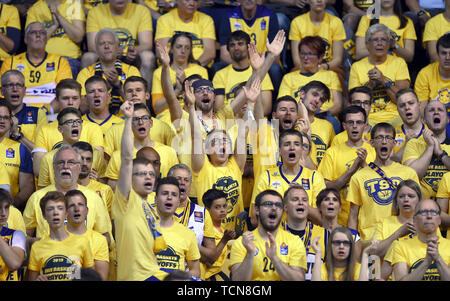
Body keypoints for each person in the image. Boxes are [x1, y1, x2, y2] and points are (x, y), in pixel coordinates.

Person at [113, 100, 168, 281]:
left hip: (154, 272)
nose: (148, 177)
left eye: (151, 174)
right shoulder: (125, 199)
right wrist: (128, 119)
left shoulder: (150, 205)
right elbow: (127, 157)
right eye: (141, 174)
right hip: (137, 277)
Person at [23, 145, 111, 243]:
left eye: (71, 162)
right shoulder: (37, 197)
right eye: (60, 162)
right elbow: (23, 236)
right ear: (53, 168)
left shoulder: (94, 198)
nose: (65, 166)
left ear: (79, 168)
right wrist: (42, 244)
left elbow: (106, 237)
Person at [347, 122, 420, 240]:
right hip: (371, 241)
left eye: (388, 138)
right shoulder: (359, 176)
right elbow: (353, 214)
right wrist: (354, 243)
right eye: (379, 137)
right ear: (372, 143)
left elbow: (417, 208)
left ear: (394, 143)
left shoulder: (408, 173)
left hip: (403, 238)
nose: (384, 141)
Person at [251, 129, 325, 228]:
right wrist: (281, 202)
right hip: (275, 237)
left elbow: (324, 220)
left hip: (308, 239)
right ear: (279, 151)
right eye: (287, 144)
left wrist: (300, 200)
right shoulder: (267, 177)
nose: (292, 148)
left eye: (297, 144)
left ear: (302, 149)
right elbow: (254, 219)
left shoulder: (315, 177)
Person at [229, 189, 307, 281]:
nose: (274, 208)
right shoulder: (242, 242)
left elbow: (299, 280)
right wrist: (249, 254)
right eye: (268, 204)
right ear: (257, 210)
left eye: (278, 205)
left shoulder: (294, 241)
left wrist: (275, 259)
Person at [318, 105, 376, 226]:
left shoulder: (374, 151)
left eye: (359, 122)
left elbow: (377, 186)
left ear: (365, 126)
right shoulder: (332, 152)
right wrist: (352, 170)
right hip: (340, 223)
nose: (355, 126)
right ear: (344, 126)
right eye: (351, 122)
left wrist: (364, 165)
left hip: (369, 223)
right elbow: (326, 189)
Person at [103, 102, 179, 190]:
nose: (141, 122)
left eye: (145, 118)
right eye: (135, 119)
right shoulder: (118, 156)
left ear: (151, 123)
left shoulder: (169, 152)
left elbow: (175, 184)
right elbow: (112, 188)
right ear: (130, 125)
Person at [349, 23, 411, 128]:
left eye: (383, 40)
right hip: (367, 119)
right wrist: (370, 85)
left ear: (388, 44)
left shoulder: (399, 63)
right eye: (375, 40)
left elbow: (403, 100)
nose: (379, 43)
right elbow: (354, 103)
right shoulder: (357, 67)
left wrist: (383, 80)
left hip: (396, 117)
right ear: (367, 44)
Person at [217, 0, 283, 99]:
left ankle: (277, 104)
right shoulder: (228, 16)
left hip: (264, 62)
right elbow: (224, 54)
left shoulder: (269, 15)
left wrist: (258, 65)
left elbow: (275, 55)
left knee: (274, 68)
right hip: (238, 61)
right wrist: (245, 65)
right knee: (217, 67)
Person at [84, 0, 155, 90]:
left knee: (147, 57)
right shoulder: (95, 12)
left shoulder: (141, 10)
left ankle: (144, 99)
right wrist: (112, 52)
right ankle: (85, 98)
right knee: (88, 57)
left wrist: (133, 50)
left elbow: (147, 44)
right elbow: (92, 46)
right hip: (105, 56)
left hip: (131, 57)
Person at [103, 76, 176, 162]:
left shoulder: (163, 127)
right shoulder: (113, 130)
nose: (134, 94)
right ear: (124, 96)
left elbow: (171, 157)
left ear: (147, 95)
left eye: (138, 90)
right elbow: (107, 162)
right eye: (129, 91)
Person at [0, 22, 72, 108]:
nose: (38, 35)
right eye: (33, 32)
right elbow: (3, 94)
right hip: (18, 113)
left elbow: (65, 93)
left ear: (46, 39)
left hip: (52, 114)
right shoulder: (10, 62)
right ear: (26, 39)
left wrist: (46, 111)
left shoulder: (60, 62)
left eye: (42, 33)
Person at [27, 191, 95, 281]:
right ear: (44, 215)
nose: (55, 212)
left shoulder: (83, 242)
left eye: (60, 208)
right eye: (50, 209)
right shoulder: (37, 247)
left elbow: (92, 278)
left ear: (66, 213)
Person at [77, 29, 141, 115]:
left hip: (125, 120)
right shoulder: (85, 73)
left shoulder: (132, 71)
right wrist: (103, 89)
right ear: (96, 48)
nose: (106, 46)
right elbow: (82, 108)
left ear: (118, 47)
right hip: (95, 122)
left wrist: (118, 85)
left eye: (110, 43)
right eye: (102, 44)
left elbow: (138, 106)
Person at [34, 106, 106, 182]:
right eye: (69, 122)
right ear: (60, 129)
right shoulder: (48, 158)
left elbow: (104, 185)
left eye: (78, 121)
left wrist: (96, 181)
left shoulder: (96, 155)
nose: (75, 124)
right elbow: (43, 190)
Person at [278, 36, 343, 118]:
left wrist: (318, 116)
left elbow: (338, 105)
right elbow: (282, 104)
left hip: (325, 118)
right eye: (303, 53)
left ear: (320, 57)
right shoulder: (288, 78)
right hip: (297, 118)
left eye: (310, 54)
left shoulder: (331, 76)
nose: (305, 57)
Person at [213, 30, 274, 117]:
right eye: (232, 45)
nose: (236, 48)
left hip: (257, 123)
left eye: (240, 44)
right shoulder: (220, 75)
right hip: (230, 124)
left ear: (248, 47)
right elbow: (218, 109)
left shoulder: (261, 73)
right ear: (228, 49)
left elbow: (267, 108)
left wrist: (248, 117)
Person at [151, 32, 208, 122]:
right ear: (172, 49)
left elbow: (204, 104)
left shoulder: (201, 71)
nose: (183, 51)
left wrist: (186, 87)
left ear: (190, 51)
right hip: (166, 117)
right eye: (179, 46)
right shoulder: (160, 72)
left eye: (187, 47)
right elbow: (157, 108)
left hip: (193, 116)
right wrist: (177, 90)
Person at [152, 176, 201, 278]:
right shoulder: (142, 230)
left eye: (174, 195)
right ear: (155, 199)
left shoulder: (188, 234)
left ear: (178, 202)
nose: (169, 197)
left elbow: (196, 271)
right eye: (165, 193)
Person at [372, 179, 421, 280]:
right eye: (401, 196)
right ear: (396, 201)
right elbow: (374, 253)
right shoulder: (384, 223)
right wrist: (399, 233)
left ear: (419, 200)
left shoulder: (426, 223)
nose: (406, 200)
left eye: (411, 196)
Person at [392, 199, 450, 280]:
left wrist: (438, 258)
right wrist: (426, 262)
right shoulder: (400, 246)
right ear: (415, 220)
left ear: (439, 220)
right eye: (423, 212)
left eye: (433, 212)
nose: (429, 216)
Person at [403, 99, 450, 199]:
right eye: (431, 110)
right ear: (424, 120)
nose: (436, 112)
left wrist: (441, 154)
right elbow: (411, 177)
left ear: (447, 119)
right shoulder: (413, 143)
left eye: (440, 110)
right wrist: (430, 147)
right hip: (422, 209)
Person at [25, 0, 86, 77]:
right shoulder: (35, 9)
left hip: (68, 59)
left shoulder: (73, 4)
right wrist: (53, 27)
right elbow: (30, 41)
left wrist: (59, 16)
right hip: (40, 60)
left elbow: (78, 37)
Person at [282, 184, 327, 281]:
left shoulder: (325, 235)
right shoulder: (274, 235)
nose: (301, 203)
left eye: (304, 200)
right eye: (295, 199)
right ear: (285, 207)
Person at [154, 0, 216, 68]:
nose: (192, 3)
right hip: (170, 68)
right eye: (187, 0)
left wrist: (192, 68)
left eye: (195, 1)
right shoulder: (164, 20)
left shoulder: (206, 20)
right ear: (177, 1)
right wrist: (176, 68)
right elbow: (161, 52)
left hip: (199, 67)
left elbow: (210, 53)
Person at [65, 189, 110, 281]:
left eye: (80, 205)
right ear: (65, 212)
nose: (77, 209)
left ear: (86, 210)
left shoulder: (99, 240)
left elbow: (101, 278)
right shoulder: (52, 237)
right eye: (72, 205)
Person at [289, 0, 345, 71]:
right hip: (304, 69)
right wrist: (310, 69)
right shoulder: (297, 23)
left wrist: (323, 67)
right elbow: (297, 61)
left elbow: (337, 59)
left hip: (328, 68)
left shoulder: (336, 22)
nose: (319, 1)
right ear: (308, 1)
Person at [0, 100, 35, 211]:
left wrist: (10, 206)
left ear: (11, 121)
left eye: (6, 117)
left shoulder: (20, 149)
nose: (2, 121)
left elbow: (27, 186)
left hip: (10, 210)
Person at [1, 70, 48, 151]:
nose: (15, 89)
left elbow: (41, 152)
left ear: (25, 90)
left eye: (19, 85)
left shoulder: (37, 113)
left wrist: (18, 135)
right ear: (2, 91)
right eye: (10, 85)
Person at [311, 226, 376, 281]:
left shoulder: (358, 268)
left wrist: (365, 254)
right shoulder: (322, 268)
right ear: (330, 246)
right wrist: (318, 253)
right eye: (337, 242)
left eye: (345, 243)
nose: (341, 246)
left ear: (351, 246)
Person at [167, 163, 208, 245]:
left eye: (186, 180)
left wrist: (191, 245)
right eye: (178, 179)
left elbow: (211, 254)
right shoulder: (156, 210)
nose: (182, 183)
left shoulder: (202, 212)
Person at [200, 188, 235, 281]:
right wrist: (224, 240)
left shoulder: (222, 229)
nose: (223, 210)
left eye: (224, 206)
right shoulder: (205, 231)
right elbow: (209, 262)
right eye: (217, 207)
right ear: (207, 210)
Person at [300, 80, 335, 165]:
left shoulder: (327, 126)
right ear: (302, 94)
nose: (317, 100)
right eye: (315, 94)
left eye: (321, 99)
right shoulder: (289, 122)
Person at [414, 33, 450, 114]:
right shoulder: (425, 74)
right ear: (438, 54)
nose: (448, 57)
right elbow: (422, 109)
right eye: (444, 53)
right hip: (434, 118)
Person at [391, 88, 426, 163]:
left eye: (411, 103)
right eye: (402, 105)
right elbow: (389, 164)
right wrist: (407, 144)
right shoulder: (391, 135)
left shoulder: (431, 131)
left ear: (419, 105)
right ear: (398, 110)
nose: (407, 107)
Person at [0, 188, 26, 281]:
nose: (3, 213)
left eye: (6, 207)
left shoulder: (17, 235)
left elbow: (14, 263)